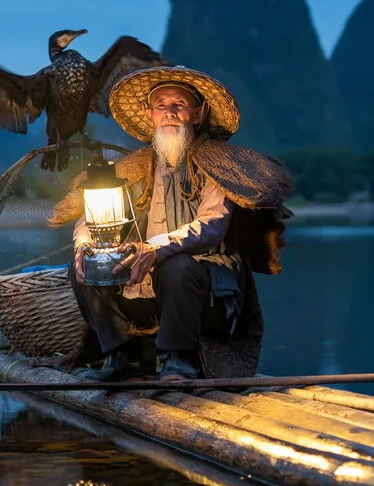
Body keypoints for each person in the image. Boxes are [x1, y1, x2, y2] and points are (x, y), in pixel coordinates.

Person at [48, 66, 294, 381]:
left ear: (197, 113)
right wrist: (84, 245)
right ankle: (122, 358)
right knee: (88, 265)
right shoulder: (134, 168)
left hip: (209, 294)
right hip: (148, 295)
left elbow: (212, 225)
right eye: (161, 106)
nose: (170, 113)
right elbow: (87, 217)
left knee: (176, 265)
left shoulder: (216, 165)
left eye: (179, 105)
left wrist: (154, 248)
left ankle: (181, 360)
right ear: (150, 115)